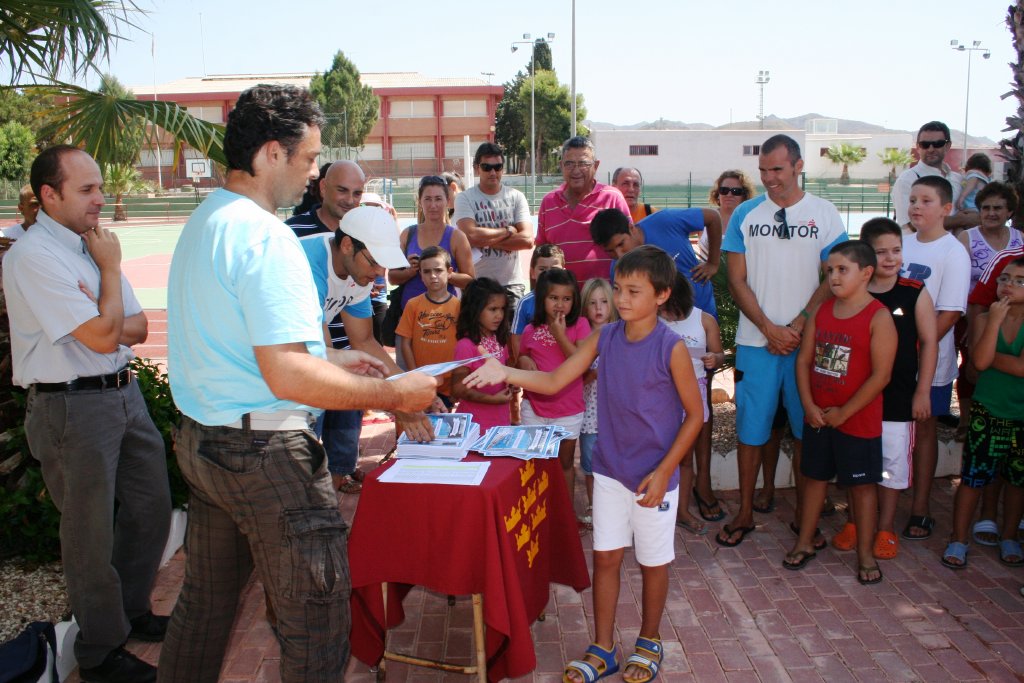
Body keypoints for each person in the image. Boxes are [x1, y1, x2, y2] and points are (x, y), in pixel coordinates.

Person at [159, 84, 437, 683]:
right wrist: (395, 395)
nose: (314, 174)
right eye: (310, 159)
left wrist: (341, 364)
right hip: (264, 454)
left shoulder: (206, 220)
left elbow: (246, 350)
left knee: (204, 606)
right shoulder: (267, 236)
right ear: (270, 154)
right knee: (316, 616)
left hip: (206, 443)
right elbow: (285, 372)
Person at [463, 245, 704, 683]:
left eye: (633, 290)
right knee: (606, 559)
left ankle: (649, 640)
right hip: (610, 472)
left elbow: (696, 415)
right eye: (618, 288)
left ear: (662, 295)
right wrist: (508, 373)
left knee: (653, 562)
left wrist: (667, 470)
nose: (622, 298)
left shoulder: (671, 348)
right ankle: (604, 647)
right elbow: (556, 379)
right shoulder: (605, 337)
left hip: (653, 477)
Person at [4, 145, 171, 683]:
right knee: (89, 535)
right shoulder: (35, 257)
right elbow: (104, 336)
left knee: (150, 508)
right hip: (70, 407)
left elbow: (136, 329)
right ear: (48, 195)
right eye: (87, 190)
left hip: (123, 394)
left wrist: (101, 304)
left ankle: (130, 609)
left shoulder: (91, 247)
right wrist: (110, 276)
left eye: (100, 187)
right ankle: (100, 651)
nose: (101, 198)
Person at [717, 134, 848, 549]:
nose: (770, 178)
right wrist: (770, 328)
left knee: (811, 428)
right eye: (763, 171)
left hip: (808, 345)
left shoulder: (825, 215)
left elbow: (835, 276)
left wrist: (799, 323)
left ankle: (807, 520)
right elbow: (736, 280)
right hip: (757, 343)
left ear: (797, 166)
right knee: (750, 430)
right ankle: (744, 511)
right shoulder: (745, 215)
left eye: (777, 169)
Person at [785, 240, 896, 585]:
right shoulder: (821, 311)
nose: (833, 276)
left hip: (857, 421)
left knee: (862, 489)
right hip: (819, 417)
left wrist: (845, 412)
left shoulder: (879, 317)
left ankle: (864, 554)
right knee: (814, 479)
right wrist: (807, 405)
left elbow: (882, 376)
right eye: (829, 270)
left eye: (841, 270)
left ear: (866, 273)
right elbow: (804, 361)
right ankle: (804, 541)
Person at [831, 218, 936, 563]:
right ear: (865, 257)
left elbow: (930, 342)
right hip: (857, 400)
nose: (890, 258)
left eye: (896, 250)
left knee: (891, 468)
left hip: (898, 399)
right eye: (881, 252)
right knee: (857, 463)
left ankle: (885, 528)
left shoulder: (914, 291)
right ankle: (855, 524)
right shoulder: (853, 294)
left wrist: (922, 392)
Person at [287, 160, 371, 491]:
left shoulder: (363, 245)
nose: (350, 200)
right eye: (342, 190)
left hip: (342, 352)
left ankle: (332, 497)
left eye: (358, 193)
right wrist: (396, 395)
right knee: (303, 449)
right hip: (310, 356)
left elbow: (364, 339)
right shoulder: (295, 237)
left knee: (341, 445)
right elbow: (316, 340)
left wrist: (401, 385)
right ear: (322, 187)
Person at [899, 176, 970, 541]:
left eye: (926, 200)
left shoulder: (952, 251)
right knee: (889, 429)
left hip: (930, 364)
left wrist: (916, 346)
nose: (916, 206)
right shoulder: (901, 244)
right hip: (891, 361)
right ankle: (885, 500)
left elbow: (951, 312)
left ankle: (921, 507)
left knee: (923, 431)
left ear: (946, 208)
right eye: (913, 199)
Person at [942, 256, 1024, 569]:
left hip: (1020, 415)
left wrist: (991, 360)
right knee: (973, 478)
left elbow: (1016, 366)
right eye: (1004, 278)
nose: (1009, 286)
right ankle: (958, 538)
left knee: (1017, 480)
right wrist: (994, 324)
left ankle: (1009, 535)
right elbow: (977, 362)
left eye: (1019, 281)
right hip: (987, 410)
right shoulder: (984, 318)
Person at [518, 268, 591, 512]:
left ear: (574, 301)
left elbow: (581, 363)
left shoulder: (580, 325)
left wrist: (560, 335)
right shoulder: (530, 329)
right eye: (553, 298)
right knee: (536, 463)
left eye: (566, 298)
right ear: (542, 299)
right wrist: (523, 361)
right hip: (533, 407)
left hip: (568, 410)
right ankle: (537, 510)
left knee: (565, 463)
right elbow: (523, 357)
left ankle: (564, 513)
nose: (560, 304)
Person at [955, 182, 1023, 442]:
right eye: (986, 207)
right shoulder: (968, 237)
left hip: (1016, 317)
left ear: (1009, 212)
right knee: (970, 367)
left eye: (998, 208)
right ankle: (967, 420)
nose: (991, 212)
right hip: (975, 311)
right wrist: (974, 331)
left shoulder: (1020, 241)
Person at [659, 273, 724, 536]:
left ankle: (682, 511)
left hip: (693, 394)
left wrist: (713, 359)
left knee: (685, 457)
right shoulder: (655, 321)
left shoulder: (704, 320)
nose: (668, 315)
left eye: (672, 310)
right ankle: (657, 508)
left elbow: (719, 354)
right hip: (663, 395)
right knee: (659, 453)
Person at [390, 175, 474, 369]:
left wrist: (444, 273)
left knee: (444, 384)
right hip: (410, 323)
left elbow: (471, 280)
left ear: (447, 201)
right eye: (428, 199)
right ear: (420, 202)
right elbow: (392, 277)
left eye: (438, 199)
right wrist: (411, 271)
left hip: (445, 322)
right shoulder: (408, 234)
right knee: (410, 382)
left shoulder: (456, 237)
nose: (433, 205)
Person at [589, 205, 721, 317]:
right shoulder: (618, 271)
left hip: (703, 313)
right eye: (610, 251)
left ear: (631, 228)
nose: (619, 254)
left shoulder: (665, 221)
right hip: (664, 331)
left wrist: (713, 263)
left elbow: (713, 217)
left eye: (621, 244)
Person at [536, 136, 631, 283]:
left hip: (602, 302)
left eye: (583, 163)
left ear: (596, 166)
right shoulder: (548, 203)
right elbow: (539, 256)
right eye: (569, 164)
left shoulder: (612, 198)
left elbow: (630, 248)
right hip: (562, 303)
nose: (576, 170)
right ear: (561, 165)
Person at [453, 142, 533, 307]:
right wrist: (508, 231)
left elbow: (526, 240)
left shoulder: (516, 197)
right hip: (477, 283)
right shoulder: (465, 198)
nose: (493, 172)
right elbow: (470, 236)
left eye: (497, 167)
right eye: (486, 167)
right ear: (477, 168)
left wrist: (484, 240)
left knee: (512, 333)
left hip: (511, 284)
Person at [396, 245, 461, 406]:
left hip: (447, 385)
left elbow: (463, 346)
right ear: (421, 275)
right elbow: (405, 343)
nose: (433, 276)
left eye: (438, 270)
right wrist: (416, 376)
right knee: (418, 426)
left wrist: (456, 382)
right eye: (427, 271)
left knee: (443, 428)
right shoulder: (413, 305)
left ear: (450, 271)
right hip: (420, 382)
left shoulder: (459, 306)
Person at [578, 277, 618, 528]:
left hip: (615, 415)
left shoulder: (619, 333)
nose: (599, 308)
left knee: (615, 463)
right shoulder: (581, 337)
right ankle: (594, 508)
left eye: (604, 301)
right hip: (589, 414)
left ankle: (616, 509)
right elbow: (576, 378)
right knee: (591, 465)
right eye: (592, 303)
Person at [450, 277, 513, 432]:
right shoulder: (466, 345)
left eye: (502, 309)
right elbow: (457, 389)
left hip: (501, 421)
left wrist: (512, 383)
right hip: (475, 426)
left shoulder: (500, 339)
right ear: (475, 309)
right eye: (493, 309)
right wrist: (492, 400)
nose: (499, 315)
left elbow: (505, 373)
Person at [892, 121, 974, 232]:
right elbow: (912, 225)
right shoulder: (907, 180)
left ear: (948, 146)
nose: (930, 149)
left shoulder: (958, 179)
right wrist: (962, 220)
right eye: (925, 144)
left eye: (937, 144)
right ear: (918, 147)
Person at [510, 243, 565, 359]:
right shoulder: (524, 303)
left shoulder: (570, 300)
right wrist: (522, 361)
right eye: (542, 269)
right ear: (532, 273)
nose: (548, 274)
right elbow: (516, 338)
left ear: (564, 272)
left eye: (554, 269)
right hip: (535, 369)